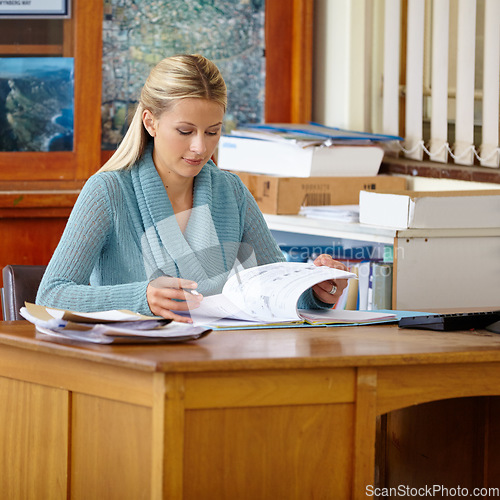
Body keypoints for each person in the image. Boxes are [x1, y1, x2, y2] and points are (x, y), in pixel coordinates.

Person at [36, 54, 348, 323]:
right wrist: (142, 298)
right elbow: (51, 294)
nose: (200, 147)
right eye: (185, 131)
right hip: (132, 367)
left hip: (215, 358)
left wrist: (317, 287)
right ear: (150, 122)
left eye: (213, 132)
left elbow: (272, 289)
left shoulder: (231, 191)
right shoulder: (108, 191)